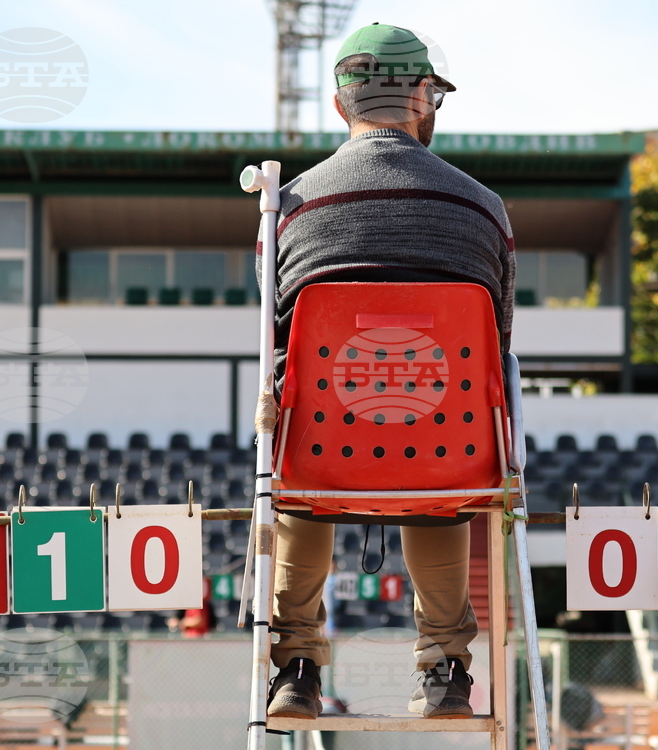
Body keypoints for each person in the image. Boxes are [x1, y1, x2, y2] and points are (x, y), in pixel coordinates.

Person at [259, 22, 515, 721]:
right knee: (443, 445)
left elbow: (275, 354)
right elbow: (496, 360)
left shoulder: (288, 211)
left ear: (341, 105)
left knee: (292, 445)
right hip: (447, 449)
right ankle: (447, 670)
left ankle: (296, 669)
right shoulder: (482, 209)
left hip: (322, 452)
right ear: (423, 98)